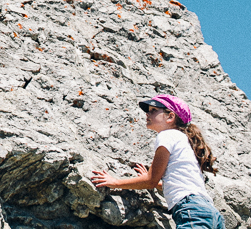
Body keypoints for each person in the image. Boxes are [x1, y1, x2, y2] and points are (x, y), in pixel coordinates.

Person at [91, 95, 223, 228]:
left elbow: (151, 181)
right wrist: (151, 180)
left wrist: (115, 182)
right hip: (210, 212)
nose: (147, 114)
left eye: (154, 110)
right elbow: (177, 182)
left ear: (170, 117)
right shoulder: (183, 140)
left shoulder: (166, 135)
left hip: (191, 210)